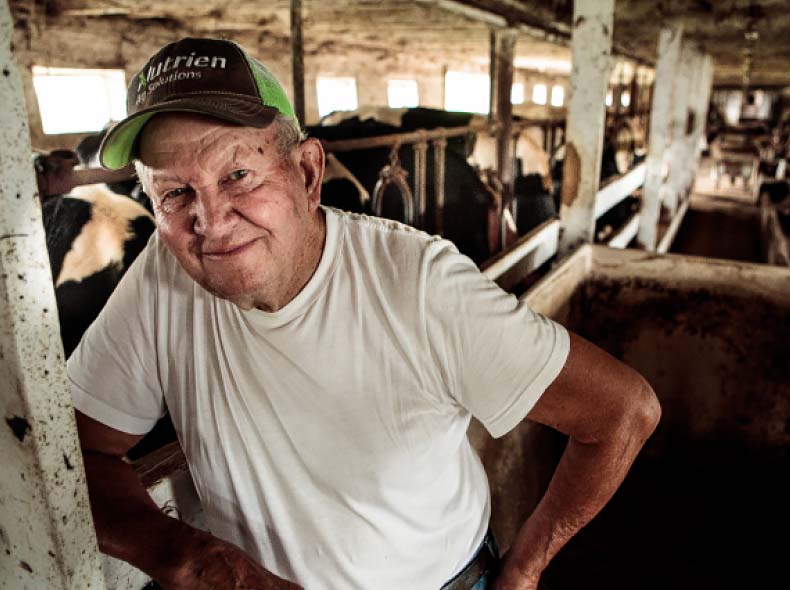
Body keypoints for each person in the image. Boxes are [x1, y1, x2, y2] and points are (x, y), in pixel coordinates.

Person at [71, 37, 660, 590]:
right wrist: (183, 555)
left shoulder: (421, 287)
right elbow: (74, 450)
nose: (212, 218)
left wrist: (526, 568)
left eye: (238, 175)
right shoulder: (163, 275)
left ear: (306, 173)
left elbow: (623, 412)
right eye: (175, 194)